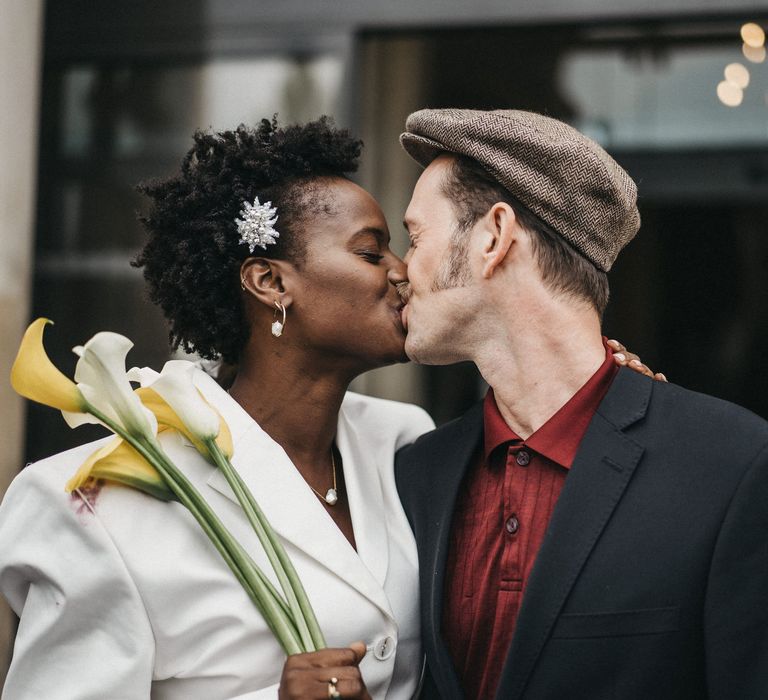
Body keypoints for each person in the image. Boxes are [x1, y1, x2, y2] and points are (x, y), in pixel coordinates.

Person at [0, 115, 652, 700]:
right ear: (272, 282)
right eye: (371, 251)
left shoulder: (408, 446)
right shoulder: (92, 502)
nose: (404, 271)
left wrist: (591, 392)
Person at [394, 108, 768, 700]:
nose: (399, 269)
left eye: (414, 237)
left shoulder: (732, 465)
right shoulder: (418, 472)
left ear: (493, 237)